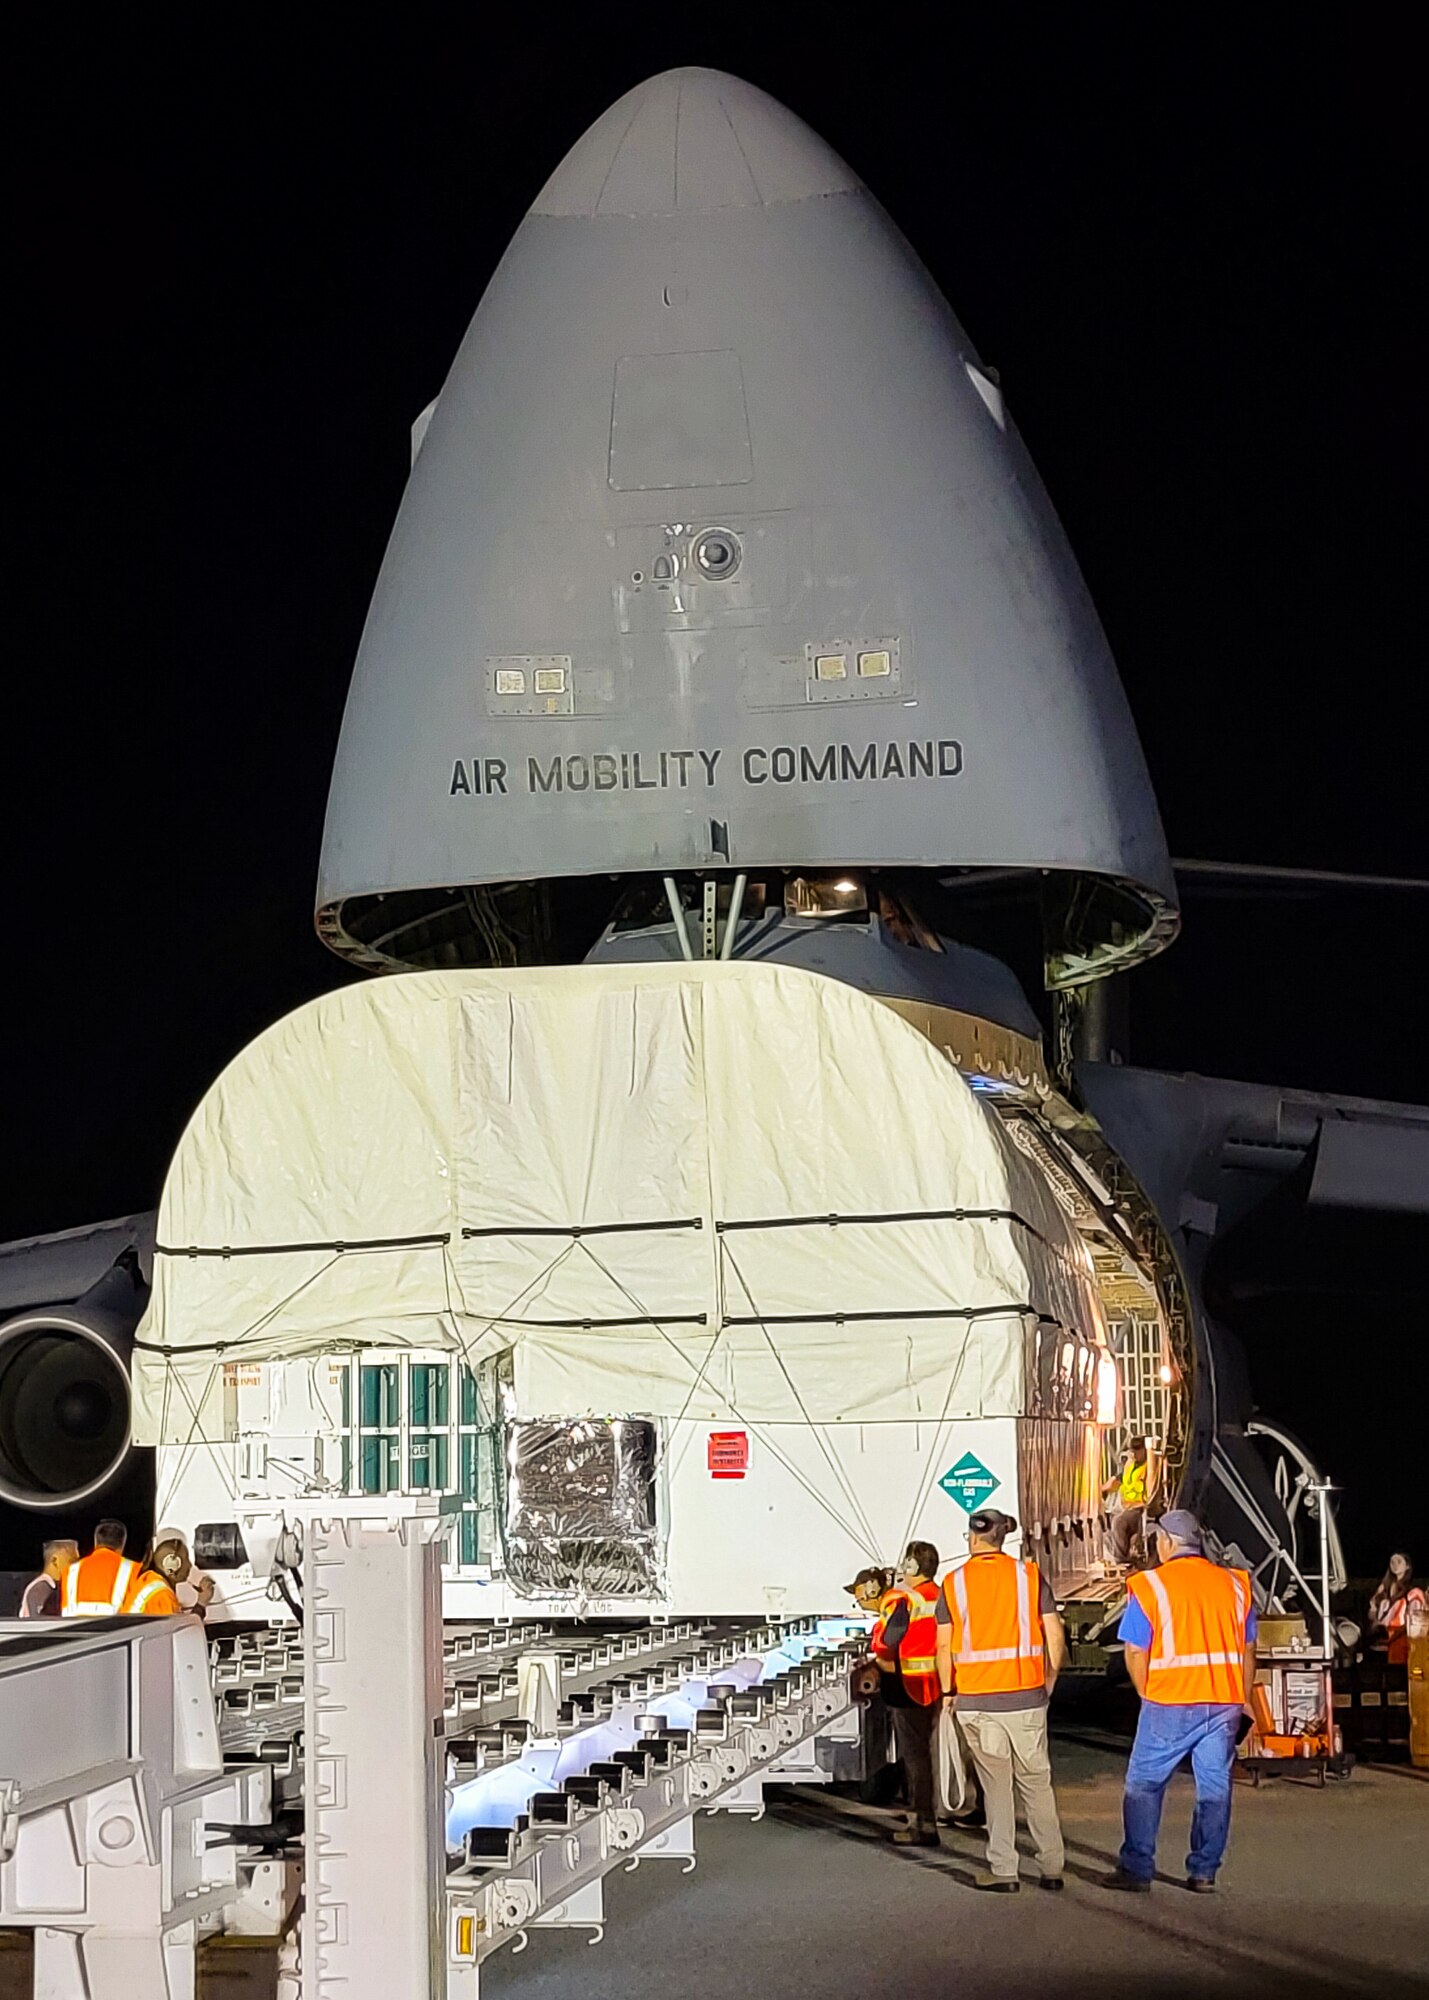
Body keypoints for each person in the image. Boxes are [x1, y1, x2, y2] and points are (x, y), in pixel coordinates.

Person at [1101, 1508, 1256, 1895]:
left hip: (1170, 1700)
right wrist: (1242, 1697)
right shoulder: (1236, 1586)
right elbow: (1249, 1649)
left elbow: (1135, 1651)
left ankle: (1137, 1868)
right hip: (1223, 1702)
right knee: (1215, 1787)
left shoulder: (1152, 1585)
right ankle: (1204, 1871)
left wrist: (1146, 1692)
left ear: (1167, 1543)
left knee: (1144, 1785)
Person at [937, 1509, 1067, 1892]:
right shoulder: (1028, 1577)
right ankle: (1052, 1867)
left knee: (996, 1785)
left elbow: (944, 1644)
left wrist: (948, 1692)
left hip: (977, 1700)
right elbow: (1054, 1636)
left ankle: (1004, 1869)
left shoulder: (954, 1582)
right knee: (1037, 1782)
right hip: (1027, 1696)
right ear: (1001, 1538)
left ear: (974, 1539)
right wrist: (1049, 1680)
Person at [872, 1541, 943, 1846]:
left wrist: (877, 1652)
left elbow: (889, 1639)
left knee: (915, 1757)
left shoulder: (904, 1598)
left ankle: (923, 1824)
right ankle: (937, 1812)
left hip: (907, 1685)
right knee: (933, 1753)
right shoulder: (941, 1595)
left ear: (912, 1567)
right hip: (937, 1684)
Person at [62, 1519, 181, 1617]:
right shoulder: (133, 1570)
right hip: (116, 1641)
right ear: (122, 1544)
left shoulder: (70, 1572)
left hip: (75, 1642)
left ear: (95, 1541)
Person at [1103, 1437, 1158, 1568]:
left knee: (1119, 1522)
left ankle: (1121, 1560)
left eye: (1138, 1450)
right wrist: (1100, 1490)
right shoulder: (1130, 1465)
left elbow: (1151, 1489)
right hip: (1125, 1506)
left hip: (1139, 1508)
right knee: (1106, 1523)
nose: (1135, 1453)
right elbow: (1117, 1480)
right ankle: (1112, 1557)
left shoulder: (1149, 1466)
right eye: (1133, 1450)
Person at [1367, 1553, 1424, 1667]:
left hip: (1399, 1642)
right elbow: (1372, 1615)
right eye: (1392, 1561)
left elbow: (1412, 1623)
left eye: (1399, 1561)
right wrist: (1373, 1610)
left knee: (1396, 1675)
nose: (1395, 1565)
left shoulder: (1412, 1592)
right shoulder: (1384, 1589)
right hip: (1380, 1642)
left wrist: (1391, 1639)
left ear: (1407, 1566)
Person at [146, 1528, 216, 1620]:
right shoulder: (163, 1596)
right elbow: (183, 1632)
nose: (190, 1565)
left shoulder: (150, 1581)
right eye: (185, 1560)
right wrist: (201, 1603)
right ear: (171, 1568)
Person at [19, 1539, 78, 1618]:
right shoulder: (41, 1588)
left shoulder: (54, 1587)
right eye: (72, 1561)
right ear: (55, 1560)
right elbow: (39, 1624)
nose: (76, 1566)